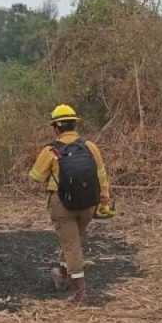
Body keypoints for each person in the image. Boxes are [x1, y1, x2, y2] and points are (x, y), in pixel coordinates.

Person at [29, 104, 112, 303]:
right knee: (73, 240)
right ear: (75, 125)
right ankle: (62, 274)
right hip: (88, 204)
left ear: (56, 127)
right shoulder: (91, 147)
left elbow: (36, 177)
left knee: (71, 244)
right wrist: (105, 201)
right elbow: (101, 176)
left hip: (61, 205)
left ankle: (80, 292)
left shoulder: (51, 150)